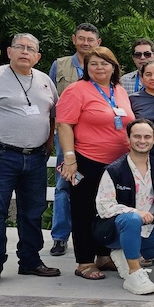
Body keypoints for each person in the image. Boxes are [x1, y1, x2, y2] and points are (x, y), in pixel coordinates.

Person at [0, 33, 61, 287]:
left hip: (36, 157)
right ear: (9, 51)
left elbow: (52, 116)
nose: (25, 52)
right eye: (20, 47)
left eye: (31, 49)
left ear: (38, 56)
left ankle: (30, 260)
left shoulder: (45, 81)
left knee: (33, 212)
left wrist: (49, 143)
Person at [56, 47, 134, 280]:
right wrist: (69, 159)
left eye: (105, 63)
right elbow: (64, 124)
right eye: (94, 64)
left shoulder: (119, 90)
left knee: (107, 211)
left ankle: (103, 255)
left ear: (114, 67)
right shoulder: (76, 90)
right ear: (86, 68)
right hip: (87, 161)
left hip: (117, 164)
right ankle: (84, 261)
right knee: (84, 210)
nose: (99, 68)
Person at [93, 119, 154, 295]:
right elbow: (104, 206)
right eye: (137, 136)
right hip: (116, 230)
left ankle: (126, 254)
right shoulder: (114, 170)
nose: (142, 140)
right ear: (128, 139)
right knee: (132, 219)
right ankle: (134, 273)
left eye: (147, 137)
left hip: (149, 230)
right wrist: (135, 212)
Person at [47, 22, 100, 257]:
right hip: (65, 138)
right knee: (64, 184)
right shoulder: (59, 66)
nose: (86, 43)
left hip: (94, 139)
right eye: (82, 38)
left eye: (90, 39)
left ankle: (94, 236)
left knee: (92, 186)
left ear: (98, 42)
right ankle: (60, 236)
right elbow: (49, 103)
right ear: (74, 39)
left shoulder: (101, 65)